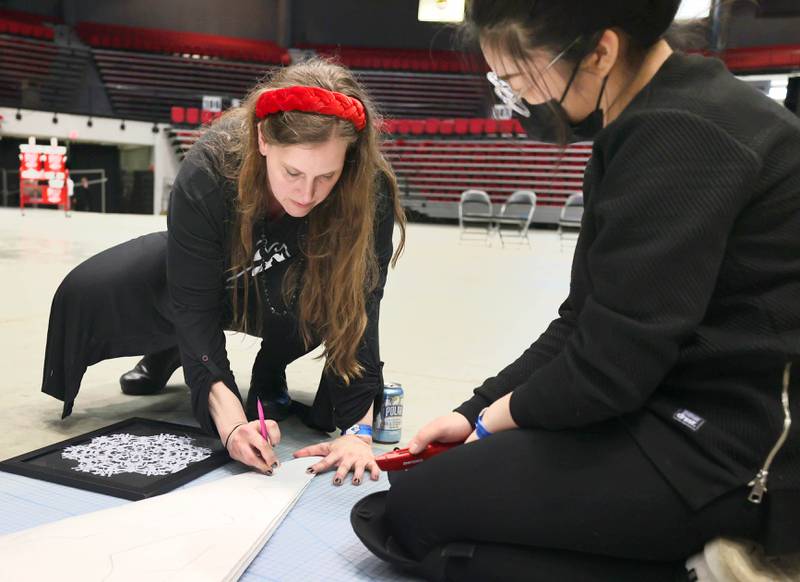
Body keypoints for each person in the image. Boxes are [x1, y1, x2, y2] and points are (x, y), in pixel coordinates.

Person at [350, 1, 800, 580]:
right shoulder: (647, 116)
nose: (522, 100)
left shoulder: (681, 134)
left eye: (519, 79)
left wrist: (494, 422)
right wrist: (472, 413)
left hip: (735, 450)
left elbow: (608, 369)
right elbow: (581, 321)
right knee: (412, 518)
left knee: (415, 514)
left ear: (601, 51)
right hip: (670, 400)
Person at [41, 58, 406, 484]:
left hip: (289, 276)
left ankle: (267, 369)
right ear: (263, 140)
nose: (307, 194)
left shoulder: (368, 186)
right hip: (215, 273)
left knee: (313, 291)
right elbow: (193, 304)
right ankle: (168, 350)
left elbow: (360, 304)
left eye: (327, 176)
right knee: (95, 289)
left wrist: (359, 432)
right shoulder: (210, 167)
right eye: (293, 173)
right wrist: (232, 425)